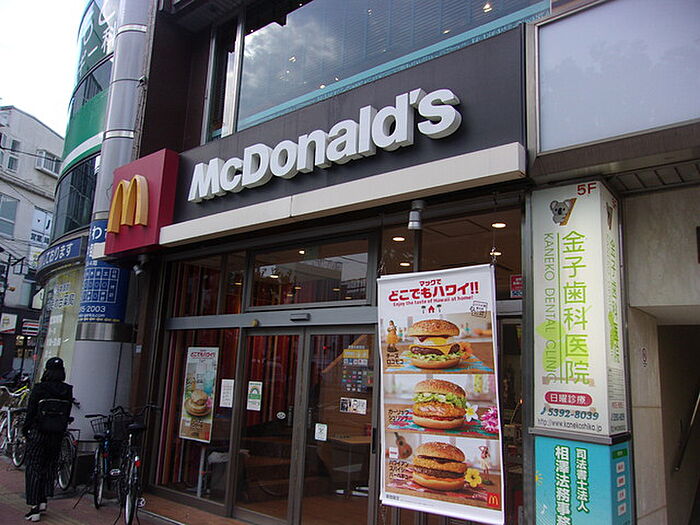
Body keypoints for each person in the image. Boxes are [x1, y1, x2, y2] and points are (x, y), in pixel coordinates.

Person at [22, 357, 73, 522]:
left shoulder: (40, 389)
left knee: (34, 467)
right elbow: (67, 412)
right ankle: (43, 500)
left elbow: (31, 411)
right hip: (57, 433)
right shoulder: (67, 390)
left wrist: (26, 429)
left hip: (39, 432)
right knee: (50, 465)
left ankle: (34, 507)